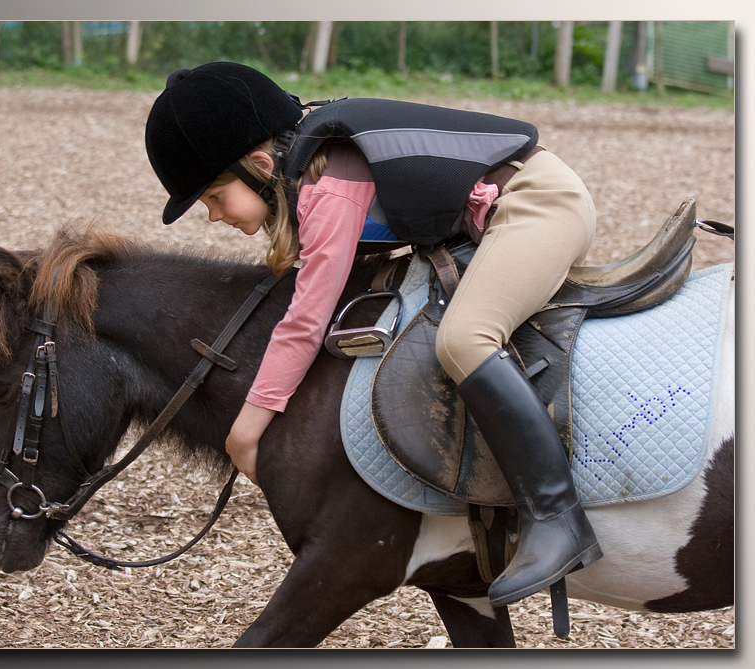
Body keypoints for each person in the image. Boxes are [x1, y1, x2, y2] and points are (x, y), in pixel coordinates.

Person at [144, 62, 602, 608]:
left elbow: (306, 320)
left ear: (262, 165)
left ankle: (558, 517)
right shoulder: (311, 170)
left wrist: (247, 427)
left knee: (464, 339)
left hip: (538, 204)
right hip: (493, 218)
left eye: (216, 197)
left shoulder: (330, 187)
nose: (215, 216)